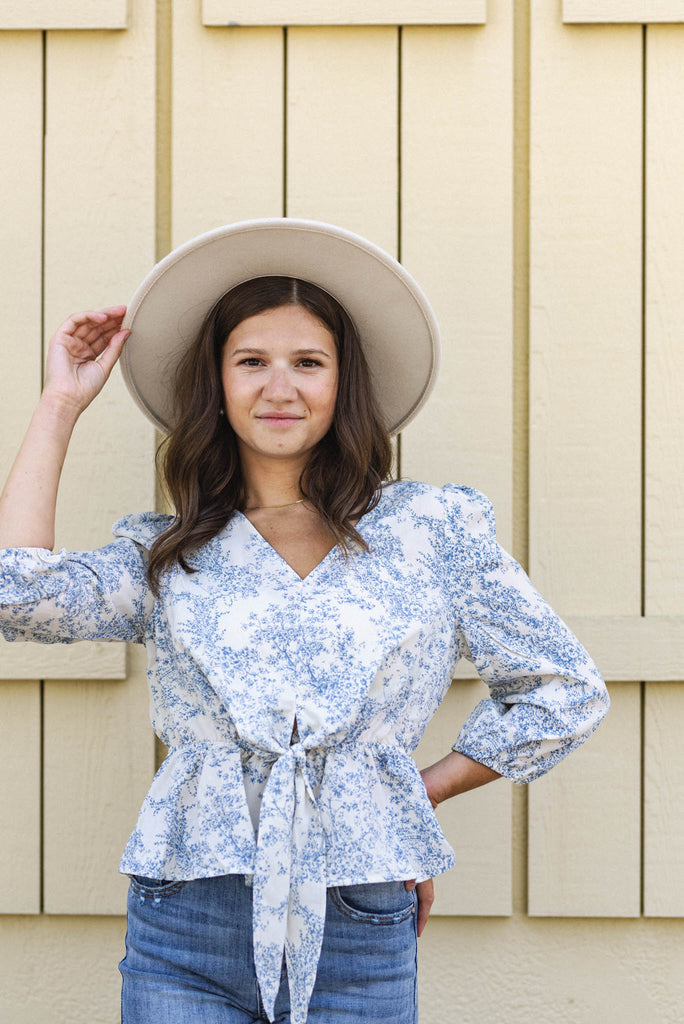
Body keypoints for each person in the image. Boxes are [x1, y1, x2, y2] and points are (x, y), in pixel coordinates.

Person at [0, 220, 609, 1024]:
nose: (278, 387)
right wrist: (61, 403)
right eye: (251, 361)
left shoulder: (432, 529)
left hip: (359, 918)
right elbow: (16, 597)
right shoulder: (170, 551)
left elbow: (563, 690)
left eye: (308, 363)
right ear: (217, 384)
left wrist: (407, 796)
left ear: (341, 383)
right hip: (187, 916)